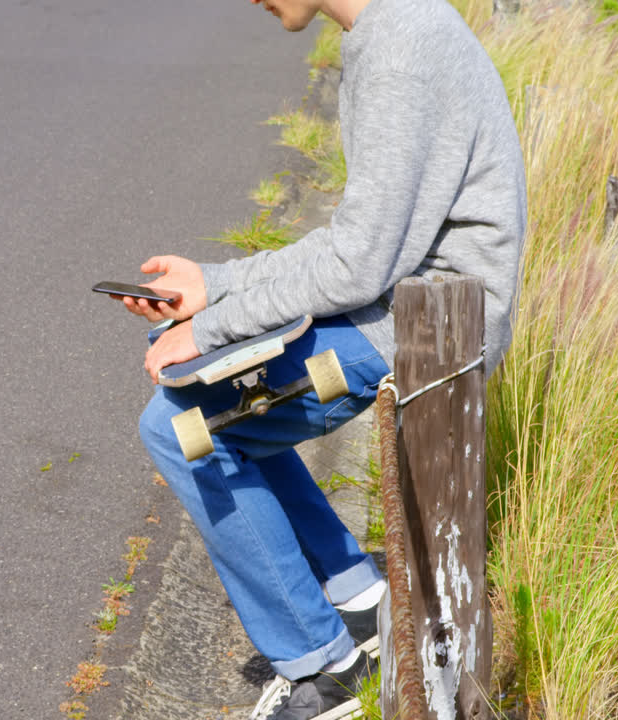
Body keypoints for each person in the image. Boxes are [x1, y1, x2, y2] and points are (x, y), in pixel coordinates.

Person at [111, 0, 527, 718]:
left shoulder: (400, 50)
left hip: (427, 332)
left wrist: (214, 328)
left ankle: (325, 670)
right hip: (409, 305)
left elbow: (358, 263)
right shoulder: (391, 28)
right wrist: (217, 287)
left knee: (181, 424)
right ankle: (354, 596)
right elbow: (357, 245)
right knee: (210, 393)